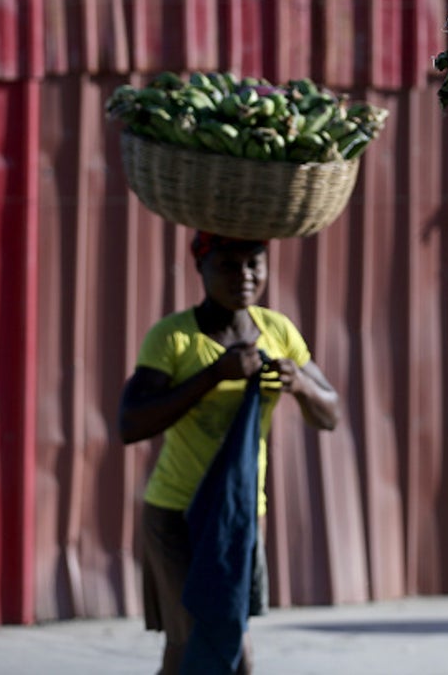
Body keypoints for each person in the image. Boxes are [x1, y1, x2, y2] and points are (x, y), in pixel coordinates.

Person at [119, 231, 340, 674]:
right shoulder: (174, 337)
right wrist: (212, 375)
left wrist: (299, 385)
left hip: (239, 515)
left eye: (253, 264)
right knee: (201, 640)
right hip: (177, 513)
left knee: (212, 641)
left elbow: (329, 413)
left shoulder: (276, 330)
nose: (244, 275)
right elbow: (131, 424)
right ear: (200, 268)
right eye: (228, 265)